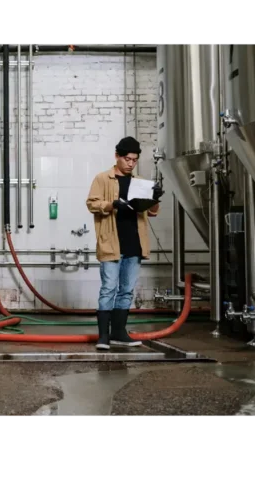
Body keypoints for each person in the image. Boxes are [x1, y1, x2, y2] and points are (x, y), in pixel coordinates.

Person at [85, 137, 164, 350]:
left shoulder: (140, 183)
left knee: (126, 291)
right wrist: (112, 204)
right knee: (108, 288)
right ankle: (103, 336)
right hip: (111, 243)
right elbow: (91, 204)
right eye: (127, 159)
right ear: (117, 156)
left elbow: (152, 213)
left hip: (134, 244)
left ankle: (119, 332)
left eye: (134, 160)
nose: (130, 163)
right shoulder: (103, 178)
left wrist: (155, 198)